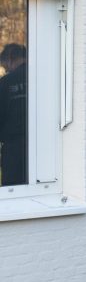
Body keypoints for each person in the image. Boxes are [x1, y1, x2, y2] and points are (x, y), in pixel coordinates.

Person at [0, 43, 27, 186]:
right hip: (42, 146)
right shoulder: (41, 76)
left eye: (5, 67)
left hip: (14, 149)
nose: (6, 70)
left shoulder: (6, 83)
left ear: (10, 58)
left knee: (12, 192)